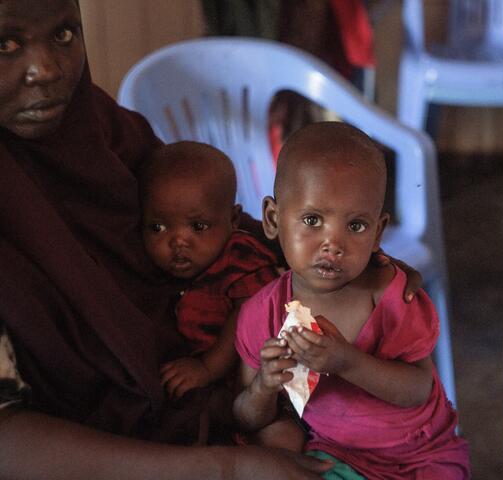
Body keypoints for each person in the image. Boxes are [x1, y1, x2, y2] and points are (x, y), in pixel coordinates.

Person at [0, 0, 335, 477]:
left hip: (203, 404)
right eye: (6, 44)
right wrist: (224, 469)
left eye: (64, 35)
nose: (47, 69)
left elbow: (216, 228)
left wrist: (348, 267)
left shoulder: (101, 131)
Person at [233, 122, 470, 479]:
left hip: (424, 453)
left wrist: (346, 361)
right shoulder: (263, 315)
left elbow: (418, 389)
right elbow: (246, 417)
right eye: (312, 220)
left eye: (356, 226)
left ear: (377, 232)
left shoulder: (391, 295)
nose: (334, 244)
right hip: (336, 453)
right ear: (272, 219)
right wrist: (264, 385)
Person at [139, 141, 279, 406]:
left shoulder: (239, 256)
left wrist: (206, 368)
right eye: (157, 227)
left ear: (233, 219)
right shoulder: (159, 271)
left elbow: (250, 314)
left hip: (263, 381)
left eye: (198, 226)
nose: (178, 242)